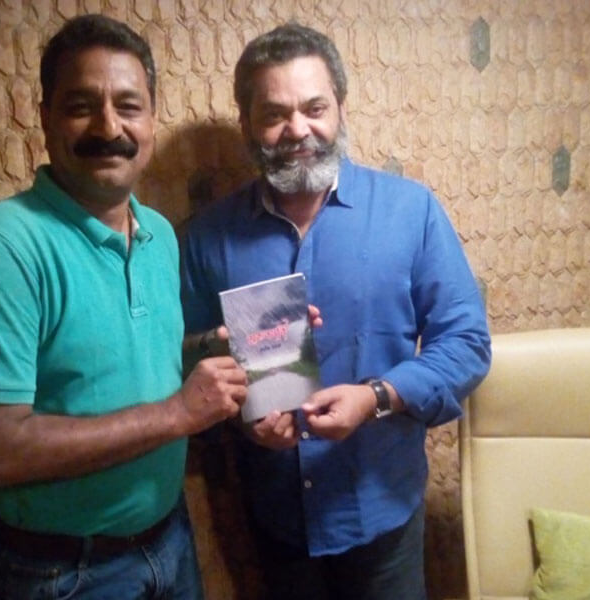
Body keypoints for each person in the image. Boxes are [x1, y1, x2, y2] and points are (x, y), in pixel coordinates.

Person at [0, 14, 247, 600]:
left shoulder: (159, 234)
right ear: (45, 118)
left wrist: (211, 351)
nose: (109, 127)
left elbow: (131, 365)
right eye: (82, 106)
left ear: (151, 120)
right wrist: (179, 414)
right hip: (62, 574)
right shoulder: (0, 245)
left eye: (129, 106)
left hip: (170, 541)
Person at [181, 23, 491, 600]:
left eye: (314, 108)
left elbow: (467, 344)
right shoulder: (207, 238)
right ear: (247, 124)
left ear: (341, 109)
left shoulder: (411, 211)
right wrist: (241, 411)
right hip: (275, 519)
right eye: (274, 114)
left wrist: (377, 397)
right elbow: (184, 358)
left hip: (384, 512)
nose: (298, 129)